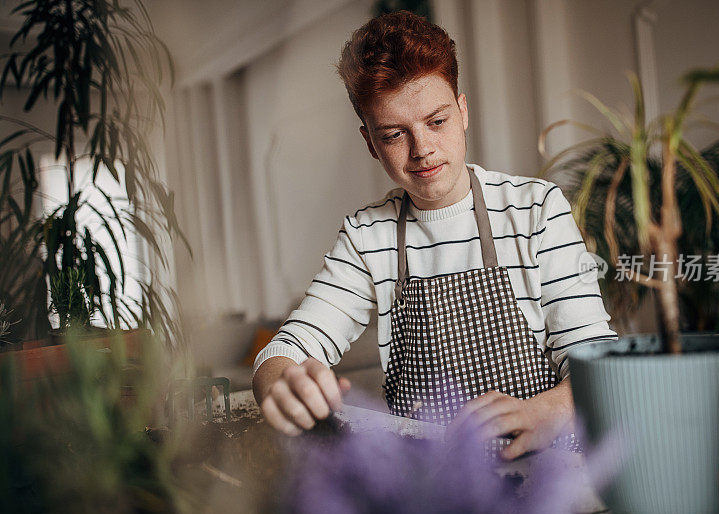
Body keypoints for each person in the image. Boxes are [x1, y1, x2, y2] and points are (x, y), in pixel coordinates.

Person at [252, 10, 617, 461]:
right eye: (393, 135)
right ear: (370, 143)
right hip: (429, 488)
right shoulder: (367, 236)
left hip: (546, 474)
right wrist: (282, 382)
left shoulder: (535, 209)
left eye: (437, 121)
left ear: (463, 112)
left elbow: (597, 359)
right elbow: (286, 350)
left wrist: (547, 410)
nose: (422, 149)